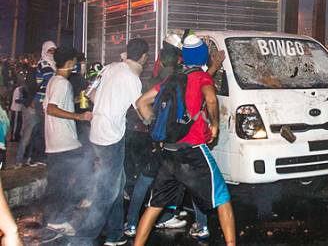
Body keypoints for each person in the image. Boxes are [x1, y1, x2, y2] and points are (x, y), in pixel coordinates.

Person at [132, 34, 234, 246]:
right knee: (222, 198)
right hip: (193, 150)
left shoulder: (173, 78)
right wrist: (214, 125)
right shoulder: (202, 78)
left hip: (169, 150)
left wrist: (156, 124)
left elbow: (141, 102)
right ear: (202, 57)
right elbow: (211, 98)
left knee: (155, 205)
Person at [74, 38, 148, 246]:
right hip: (111, 137)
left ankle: (115, 234)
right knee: (108, 189)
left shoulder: (110, 67)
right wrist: (152, 121)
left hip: (97, 131)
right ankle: (85, 236)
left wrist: (106, 106)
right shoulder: (133, 79)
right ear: (144, 57)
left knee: (117, 182)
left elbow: (90, 92)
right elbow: (142, 109)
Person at [42, 47, 92, 236]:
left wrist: (71, 103)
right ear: (70, 63)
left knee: (58, 182)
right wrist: (79, 117)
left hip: (57, 141)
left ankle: (51, 218)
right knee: (72, 177)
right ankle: (59, 219)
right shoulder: (62, 83)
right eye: (74, 61)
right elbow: (52, 109)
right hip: (63, 142)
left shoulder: (55, 81)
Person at [15, 41, 56, 167]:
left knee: (38, 129)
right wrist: (31, 100)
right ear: (44, 51)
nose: (52, 53)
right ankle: (29, 159)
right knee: (37, 130)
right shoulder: (43, 64)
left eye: (54, 50)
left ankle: (32, 157)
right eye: (50, 50)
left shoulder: (53, 65)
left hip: (47, 100)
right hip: (39, 101)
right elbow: (37, 84)